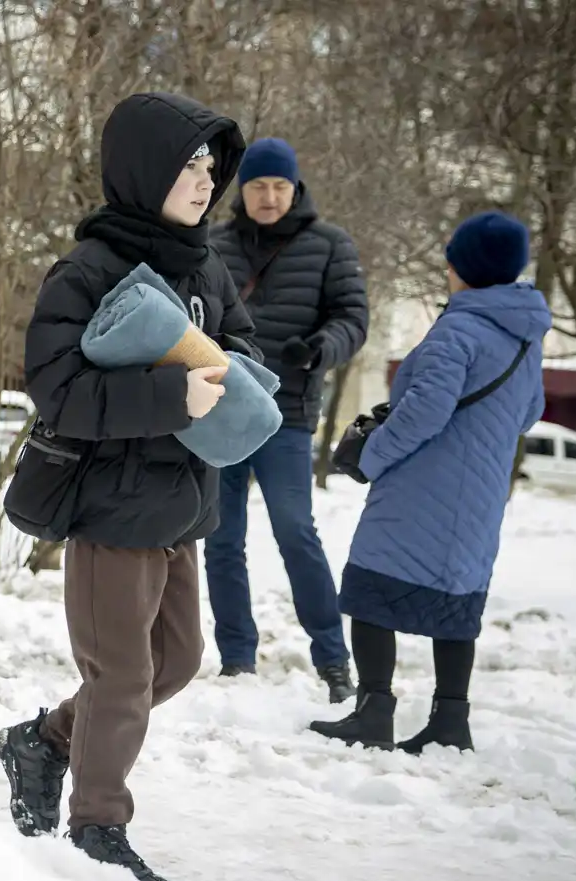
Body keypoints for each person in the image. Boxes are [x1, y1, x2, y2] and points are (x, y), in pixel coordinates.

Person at [0, 93, 259, 881]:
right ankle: (98, 828)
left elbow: (240, 341)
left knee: (174, 663)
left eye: (211, 168)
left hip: (181, 504)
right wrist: (172, 397)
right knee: (121, 674)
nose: (205, 181)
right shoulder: (88, 270)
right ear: (146, 170)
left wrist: (232, 369)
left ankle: (41, 741)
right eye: (188, 165)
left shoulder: (205, 264)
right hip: (110, 508)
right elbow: (60, 390)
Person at [310, 211, 549, 753]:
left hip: (421, 490)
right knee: (457, 603)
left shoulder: (458, 330)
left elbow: (423, 413)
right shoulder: (524, 337)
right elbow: (529, 410)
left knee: (371, 591)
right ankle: (450, 720)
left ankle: (373, 713)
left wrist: (370, 458)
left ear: (463, 267)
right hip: (481, 496)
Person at [206, 138, 369, 702]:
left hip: (287, 414)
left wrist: (321, 348)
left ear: (294, 188)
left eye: (279, 186)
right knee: (221, 540)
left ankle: (333, 658)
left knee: (296, 532)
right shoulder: (213, 243)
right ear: (243, 192)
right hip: (220, 412)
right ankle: (236, 658)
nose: (269, 196)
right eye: (257, 186)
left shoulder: (329, 245)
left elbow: (353, 316)